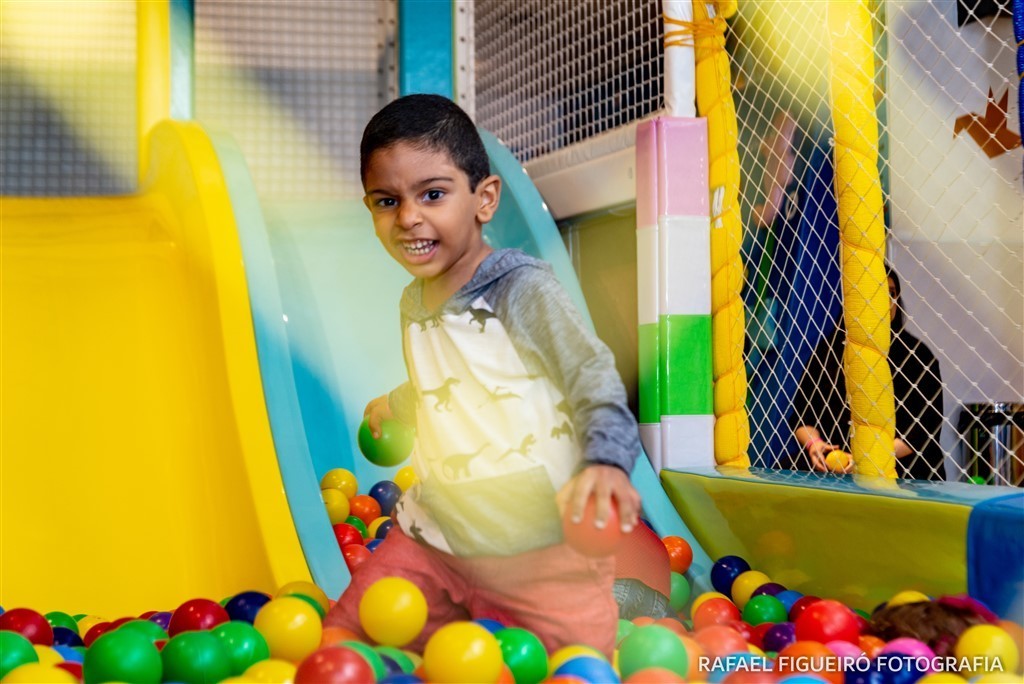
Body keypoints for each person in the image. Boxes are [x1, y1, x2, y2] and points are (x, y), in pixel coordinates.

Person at [323, 94, 643, 657]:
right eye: (385, 200)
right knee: (345, 644)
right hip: (433, 536)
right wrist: (395, 406)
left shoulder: (521, 289)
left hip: (539, 547)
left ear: (484, 199)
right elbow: (449, 383)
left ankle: (626, 600)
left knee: (576, 666)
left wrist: (608, 463)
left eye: (433, 194)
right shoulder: (413, 300)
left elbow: (591, 375)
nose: (408, 217)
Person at [791, 265, 945, 479]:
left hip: (901, 470)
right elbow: (802, 415)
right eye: (875, 292)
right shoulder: (827, 352)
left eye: (891, 293)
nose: (884, 300)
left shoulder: (918, 357)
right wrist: (814, 445)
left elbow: (922, 431)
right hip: (833, 470)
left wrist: (869, 460)